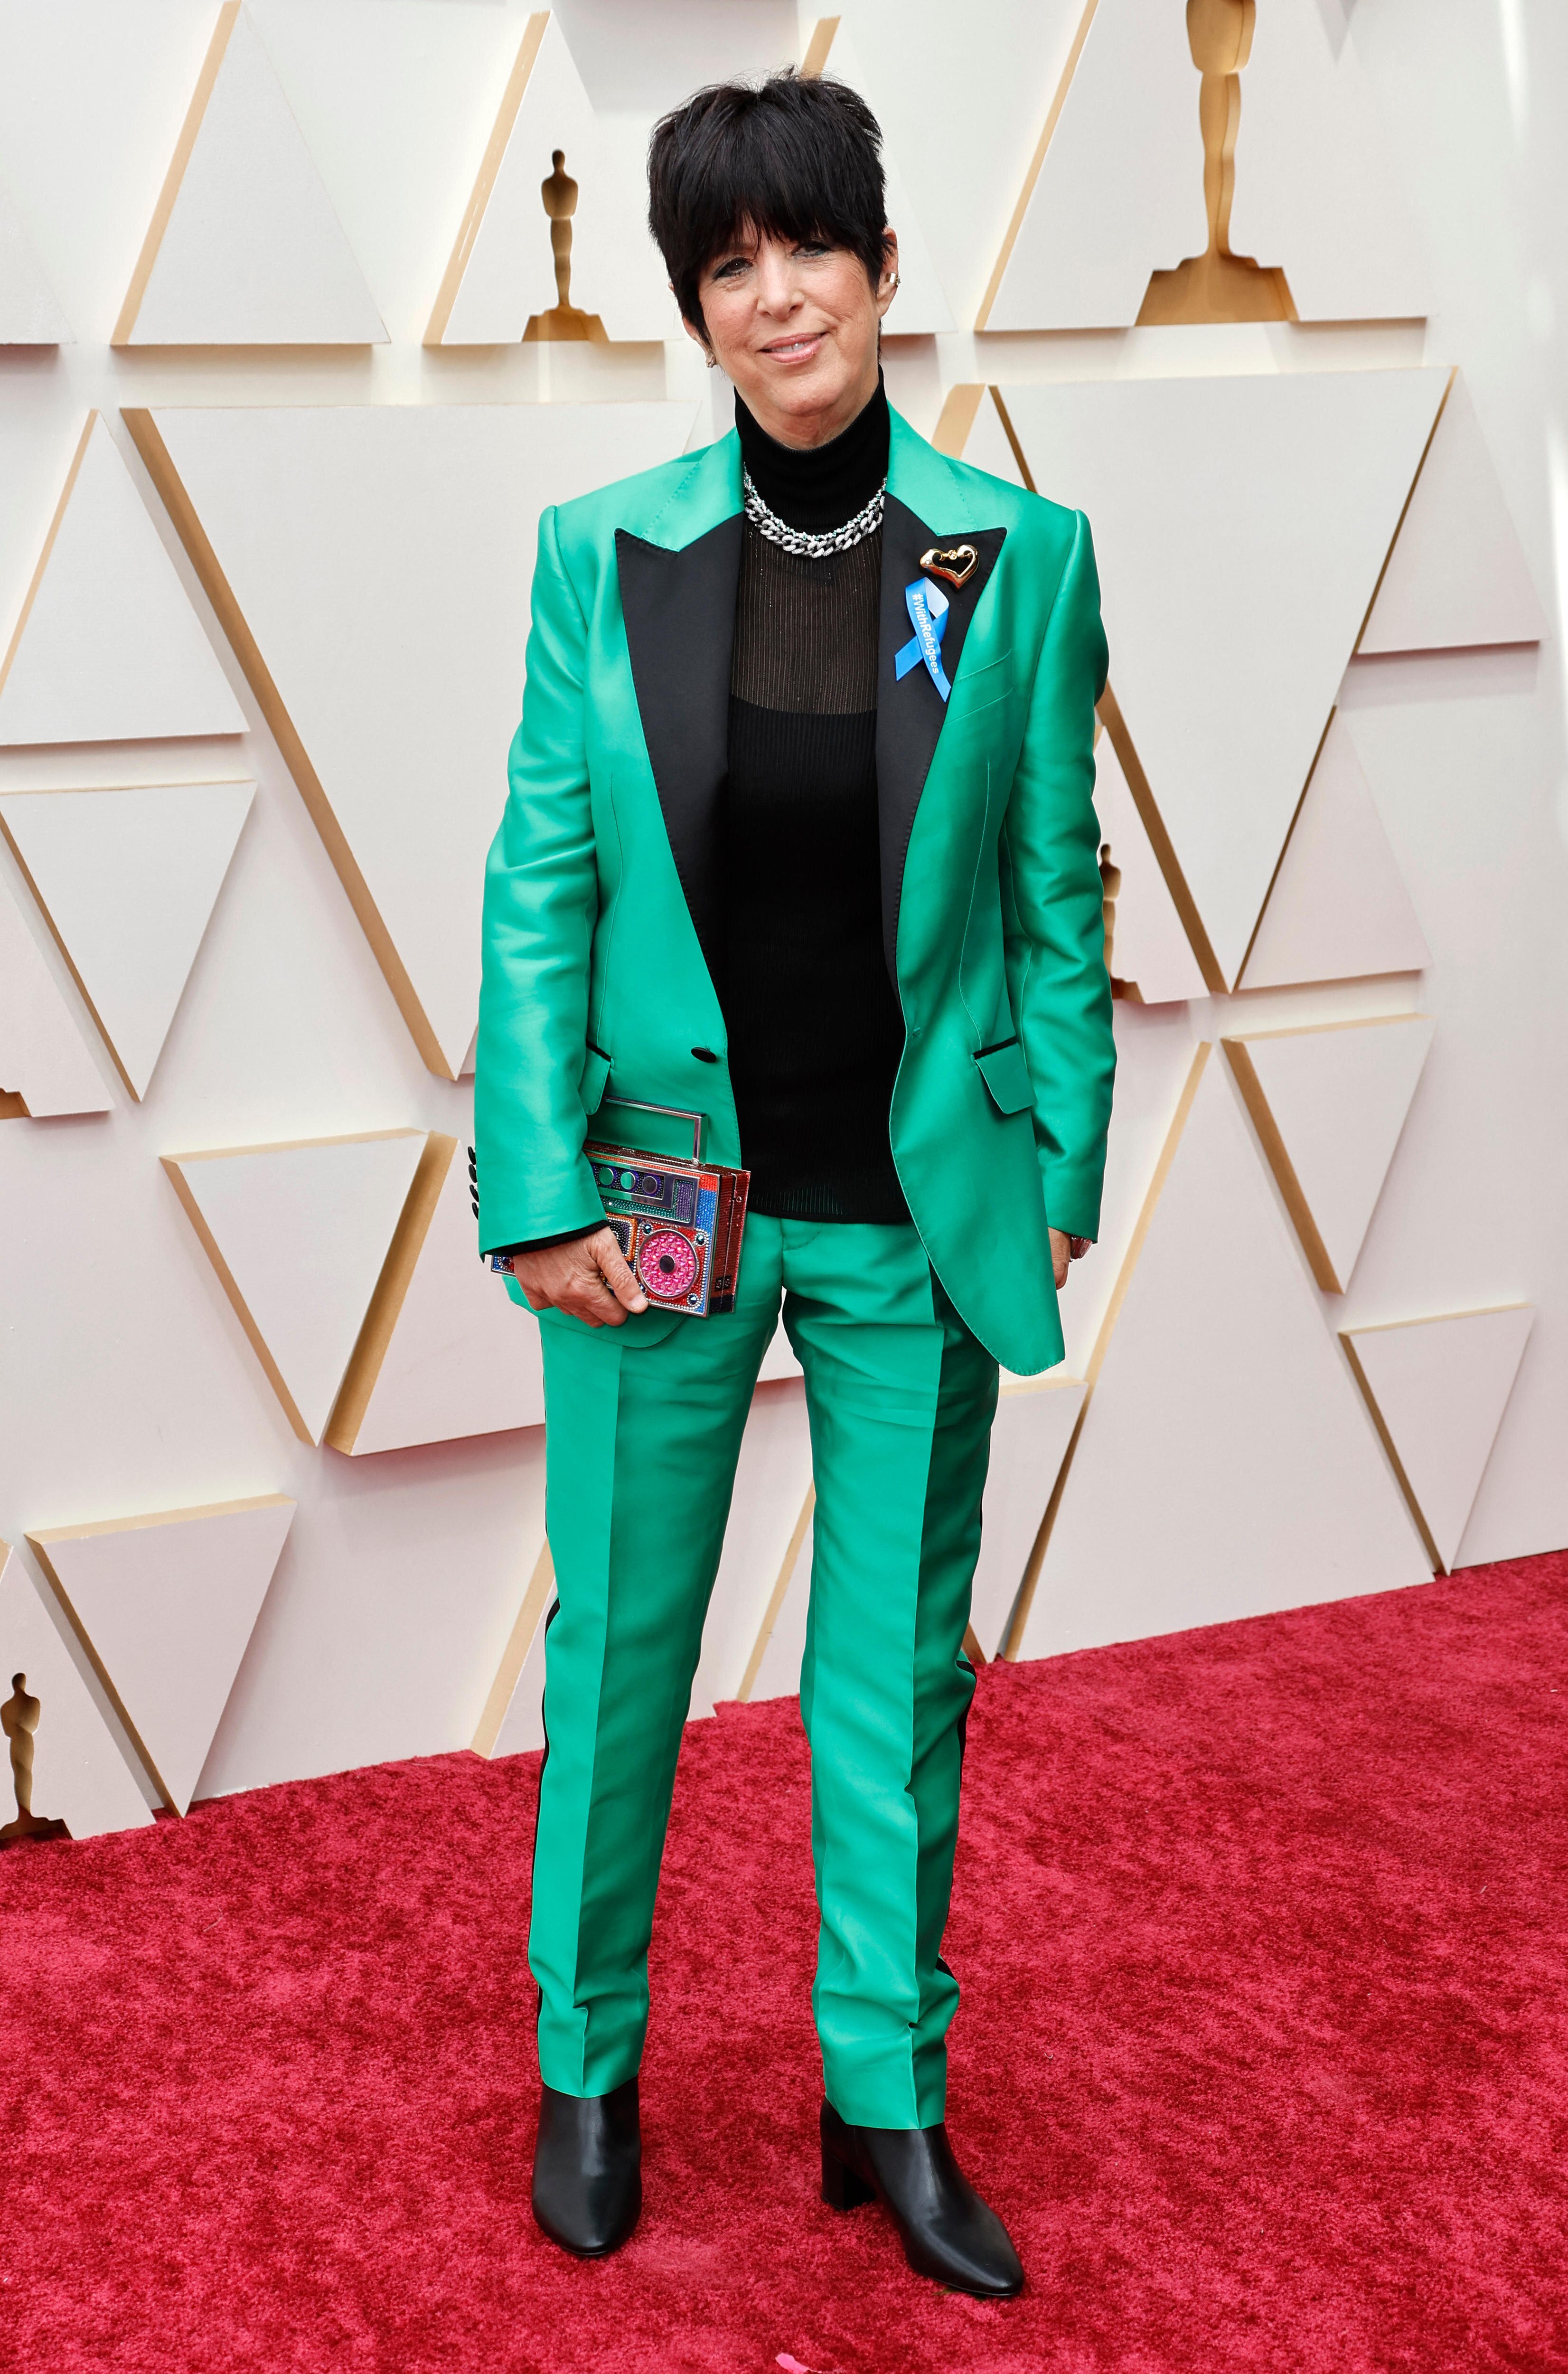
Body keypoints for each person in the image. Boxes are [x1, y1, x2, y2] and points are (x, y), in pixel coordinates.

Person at [474, 69, 1113, 2299]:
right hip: (658, 1204)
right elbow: (539, 876)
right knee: (621, 1646)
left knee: (893, 1674)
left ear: (878, 264)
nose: (772, 297)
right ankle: (588, 2065)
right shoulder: (605, 550)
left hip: (912, 1207)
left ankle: (887, 2095)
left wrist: (1061, 1157)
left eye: (803, 248)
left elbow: (1055, 885)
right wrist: (535, 1178)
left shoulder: (1010, 559)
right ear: (696, 305)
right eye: (724, 265)